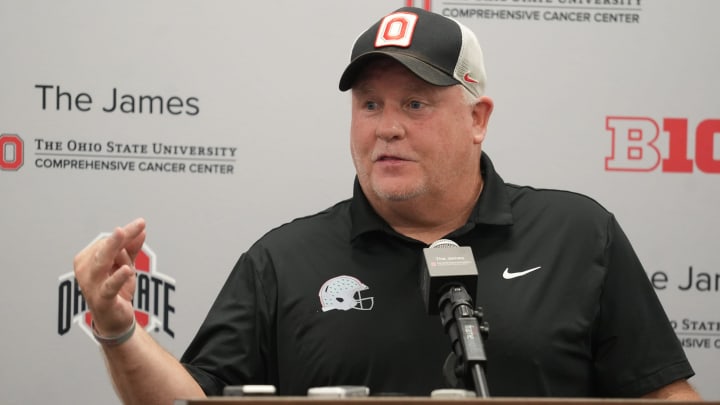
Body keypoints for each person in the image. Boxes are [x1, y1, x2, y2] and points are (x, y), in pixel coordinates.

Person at [73, 6, 701, 404]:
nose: (386, 128)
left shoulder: (577, 234)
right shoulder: (283, 260)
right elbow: (188, 402)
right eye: (370, 104)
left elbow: (663, 394)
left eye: (416, 105)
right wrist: (119, 329)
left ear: (477, 118)